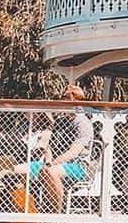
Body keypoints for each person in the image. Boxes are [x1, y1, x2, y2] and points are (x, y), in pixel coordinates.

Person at [30, 83, 95, 213]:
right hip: (53, 163)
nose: (63, 102)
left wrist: (52, 164)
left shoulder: (83, 124)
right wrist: (48, 161)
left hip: (80, 166)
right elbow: (49, 147)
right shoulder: (61, 121)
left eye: (67, 99)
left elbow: (73, 153)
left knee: (50, 172)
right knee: (20, 170)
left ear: (76, 102)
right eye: (63, 98)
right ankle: (27, 215)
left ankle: (57, 216)